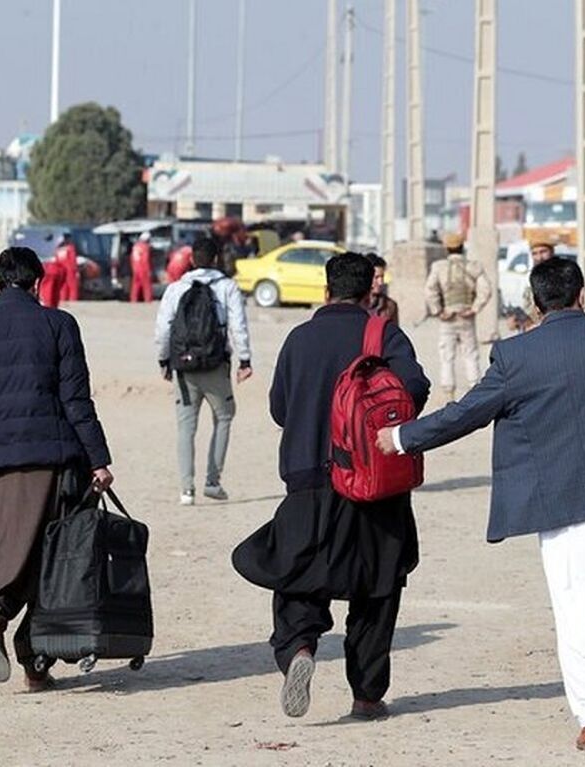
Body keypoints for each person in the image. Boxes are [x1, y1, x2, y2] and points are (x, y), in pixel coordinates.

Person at [376, 257, 585, 754]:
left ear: (535, 303)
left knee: (580, 612)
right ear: (582, 295)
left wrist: (402, 437)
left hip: (569, 504)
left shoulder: (515, 355)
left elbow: (466, 413)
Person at [232, 252, 430, 722]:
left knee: (298, 577)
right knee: (377, 588)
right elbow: (414, 389)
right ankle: (366, 694)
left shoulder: (298, 339)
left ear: (325, 292)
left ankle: (299, 648)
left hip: (307, 479)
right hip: (373, 482)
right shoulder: (383, 334)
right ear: (370, 293)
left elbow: (281, 408)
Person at [0, 246, 114, 691]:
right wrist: (99, 459)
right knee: (51, 564)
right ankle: (36, 665)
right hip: (53, 464)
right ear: (37, 284)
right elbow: (76, 401)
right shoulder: (59, 325)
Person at [154, 237, 252, 505]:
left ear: (192, 260)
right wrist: (245, 360)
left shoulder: (176, 288)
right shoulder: (227, 287)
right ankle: (212, 480)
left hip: (184, 368)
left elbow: (163, 328)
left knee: (186, 427)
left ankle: (186, 490)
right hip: (215, 364)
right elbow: (238, 325)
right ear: (217, 259)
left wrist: (164, 360)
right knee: (224, 416)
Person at [424, 233, 492, 401]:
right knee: (471, 354)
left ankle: (449, 396)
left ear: (447, 248)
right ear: (463, 247)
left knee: (446, 356)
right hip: (466, 316)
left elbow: (430, 290)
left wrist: (438, 311)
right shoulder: (473, 266)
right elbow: (486, 289)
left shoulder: (439, 266)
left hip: (448, 317)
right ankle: (474, 393)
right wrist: (475, 308)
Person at [519, 241, 556, 328]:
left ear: (552, 252)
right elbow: (526, 306)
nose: (539, 257)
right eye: (535, 253)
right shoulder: (528, 278)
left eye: (543, 252)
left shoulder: (561, 274)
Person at [365, 252, 399, 324]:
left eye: (382, 277)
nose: (381, 282)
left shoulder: (390, 306)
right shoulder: (354, 306)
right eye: (376, 277)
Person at [55, 232, 80, 303]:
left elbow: (57, 260)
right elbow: (73, 260)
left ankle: (63, 299)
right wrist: (76, 270)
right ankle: (73, 300)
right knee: (73, 286)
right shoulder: (70, 248)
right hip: (70, 269)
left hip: (61, 269)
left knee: (63, 286)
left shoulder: (59, 249)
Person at [130, 232, 154, 302]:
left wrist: (133, 267)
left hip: (136, 267)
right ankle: (148, 299)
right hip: (143, 268)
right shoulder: (145, 247)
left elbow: (131, 258)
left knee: (135, 285)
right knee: (147, 285)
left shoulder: (135, 246)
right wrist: (148, 270)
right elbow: (145, 259)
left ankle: (133, 299)